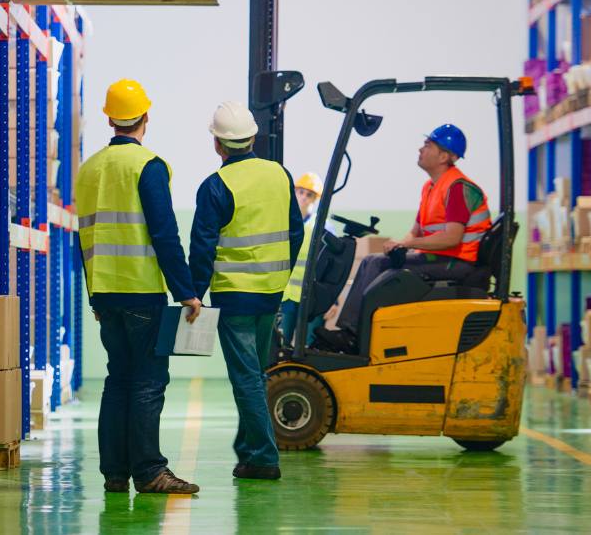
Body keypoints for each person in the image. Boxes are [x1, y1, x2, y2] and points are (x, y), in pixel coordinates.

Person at [74, 79, 203, 495]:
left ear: (109, 119)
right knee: (148, 381)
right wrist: (185, 290)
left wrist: (94, 293)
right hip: (142, 292)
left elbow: (84, 237)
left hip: (106, 295)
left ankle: (115, 473)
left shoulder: (89, 168)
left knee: (118, 380)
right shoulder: (149, 166)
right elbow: (165, 234)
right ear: (146, 117)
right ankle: (149, 472)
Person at [189, 101, 304, 481]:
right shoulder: (280, 175)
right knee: (255, 372)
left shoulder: (215, 187)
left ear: (217, 145)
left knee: (247, 377)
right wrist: (281, 275)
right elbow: (295, 230)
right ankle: (250, 448)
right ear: (253, 137)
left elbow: (203, 247)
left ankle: (263, 458)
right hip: (271, 293)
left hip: (234, 296)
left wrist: (193, 294)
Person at [314, 124, 491, 355]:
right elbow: (415, 231)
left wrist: (407, 245)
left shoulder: (457, 188)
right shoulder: (431, 187)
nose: (420, 149)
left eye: (428, 145)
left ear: (445, 156)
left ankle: (351, 334)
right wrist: (399, 244)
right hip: (439, 258)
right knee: (372, 261)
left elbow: (452, 237)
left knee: (376, 264)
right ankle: (352, 332)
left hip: (457, 264)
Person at [277, 172, 324, 349]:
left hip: (312, 297)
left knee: (310, 348)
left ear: (315, 199)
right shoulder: (282, 221)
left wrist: (333, 301)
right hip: (286, 296)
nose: (303, 197)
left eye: (309, 194)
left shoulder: (322, 226)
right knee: (281, 345)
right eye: (301, 192)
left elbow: (328, 267)